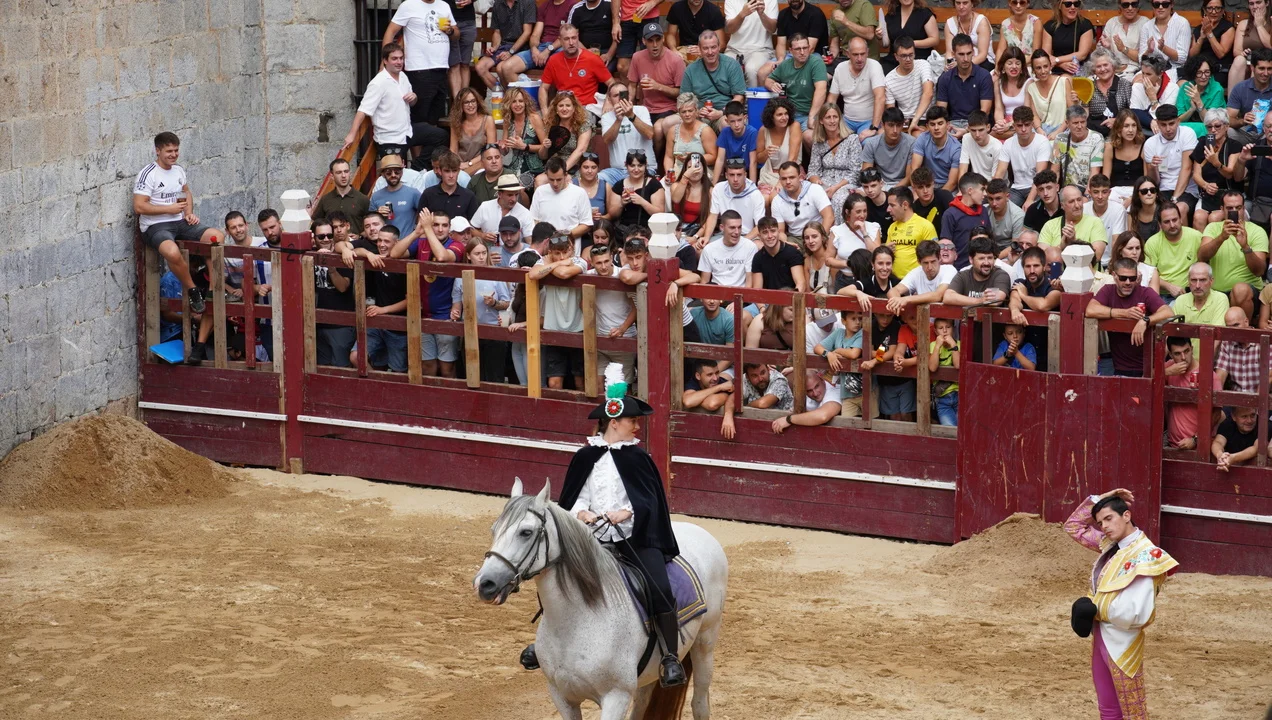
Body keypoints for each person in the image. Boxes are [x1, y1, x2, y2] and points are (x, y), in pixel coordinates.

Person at [524, 367, 687, 687]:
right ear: (614, 422)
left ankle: (670, 655)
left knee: (659, 587)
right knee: (554, 573)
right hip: (591, 538)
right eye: (632, 421)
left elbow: (650, 500)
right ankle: (545, 642)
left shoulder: (639, 458)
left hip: (635, 538)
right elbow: (575, 497)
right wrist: (582, 513)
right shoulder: (585, 456)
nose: (637, 426)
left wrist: (627, 512)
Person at [1063, 489, 1179, 720]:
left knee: (1133, 713)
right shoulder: (1111, 545)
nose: (1104, 527)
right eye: (1100, 522)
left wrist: (1095, 609)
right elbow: (1074, 526)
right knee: (1108, 710)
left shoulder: (1146, 556)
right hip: (1102, 636)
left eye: (1109, 518)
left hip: (1123, 644)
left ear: (1126, 515)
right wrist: (1100, 499)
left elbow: (1137, 613)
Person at [134, 131, 224, 314]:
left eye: (176, 150)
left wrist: (188, 213)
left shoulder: (178, 170)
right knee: (172, 252)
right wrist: (169, 209)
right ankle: (193, 290)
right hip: (155, 225)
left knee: (216, 237)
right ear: (158, 151)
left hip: (179, 221)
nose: (173, 154)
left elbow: (186, 192)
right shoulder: (148, 174)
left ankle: (212, 288)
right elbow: (139, 206)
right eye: (169, 151)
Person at [1086, 257, 1173, 377]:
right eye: (1123, 278)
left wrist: (1145, 321)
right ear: (1114, 276)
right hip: (1119, 369)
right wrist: (1124, 313)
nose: (1128, 282)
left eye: (1132, 278)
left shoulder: (1145, 292)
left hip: (1148, 368)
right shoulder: (1108, 290)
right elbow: (1090, 310)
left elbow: (1168, 312)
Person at [384, 0, 458, 130]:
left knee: (435, 117)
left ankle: (428, 143)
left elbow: (456, 34)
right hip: (419, 69)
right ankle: (416, 144)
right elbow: (391, 31)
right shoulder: (409, 5)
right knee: (419, 118)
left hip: (441, 68)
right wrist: (385, 60)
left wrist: (450, 30)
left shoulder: (444, 5)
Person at [1197, 189, 1269, 320]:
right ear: (1222, 209)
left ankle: (1242, 331)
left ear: (1244, 209)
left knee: (1240, 289)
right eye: (1229, 208)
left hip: (1248, 294)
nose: (1235, 211)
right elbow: (1201, 257)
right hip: (1217, 293)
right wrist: (1221, 237)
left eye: (1238, 208)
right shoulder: (1213, 228)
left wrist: (1245, 247)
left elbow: (1259, 271)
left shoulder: (1257, 231)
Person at [348, 225, 410, 373]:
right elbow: (354, 250)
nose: (382, 245)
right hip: (375, 323)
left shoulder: (406, 263)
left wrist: (383, 310)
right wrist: (368, 254)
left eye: (386, 241)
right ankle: (374, 384)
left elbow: (412, 300)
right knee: (356, 357)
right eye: (379, 240)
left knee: (398, 372)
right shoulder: (375, 256)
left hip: (398, 327)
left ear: (397, 243)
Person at [449, 239, 511, 382]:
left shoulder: (496, 274)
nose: (481, 257)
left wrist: (494, 303)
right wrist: (454, 314)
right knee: (472, 377)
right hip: (470, 331)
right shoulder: (460, 278)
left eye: (484, 253)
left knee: (494, 377)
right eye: (477, 254)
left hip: (494, 332)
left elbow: (507, 303)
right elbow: (456, 307)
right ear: (468, 256)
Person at [678, 30, 747, 131]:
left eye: (713, 47)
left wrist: (722, 112)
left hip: (723, 113)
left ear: (719, 47)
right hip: (697, 115)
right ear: (699, 49)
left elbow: (739, 97)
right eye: (705, 48)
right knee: (668, 123)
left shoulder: (731, 65)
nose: (710, 52)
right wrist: (696, 112)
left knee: (727, 125)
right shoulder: (691, 70)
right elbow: (684, 99)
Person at [497, 0, 577, 84]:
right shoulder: (544, 6)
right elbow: (536, 35)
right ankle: (526, 93)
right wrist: (534, 49)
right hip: (543, 47)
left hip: (561, 47)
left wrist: (548, 50)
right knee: (507, 67)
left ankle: (547, 92)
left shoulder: (572, 6)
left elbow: (567, 36)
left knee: (556, 68)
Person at [1163, 335, 1220, 450]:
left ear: (1192, 349)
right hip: (1172, 444)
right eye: (1177, 354)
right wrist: (1166, 372)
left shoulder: (1208, 375)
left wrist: (1195, 438)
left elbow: (1217, 413)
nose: (1183, 357)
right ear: (1171, 355)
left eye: (1186, 351)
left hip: (1199, 447)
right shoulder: (1170, 367)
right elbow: (1147, 379)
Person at [1008, 246, 1061, 368]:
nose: (1032, 270)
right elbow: (1015, 299)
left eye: (1036, 266)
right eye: (1028, 266)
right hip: (1026, 351)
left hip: (1051, 349)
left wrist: (1024, 295)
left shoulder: (1054, 285)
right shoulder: (1020, 283)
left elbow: (1043, 305)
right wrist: (1014, 310)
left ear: (1044, 266)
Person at [765, 33, 829, 131]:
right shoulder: (785, 65)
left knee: (809, 136)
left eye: (805, 48)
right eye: (798, 49)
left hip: (809, 113)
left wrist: (812, 116)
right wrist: (772, 84)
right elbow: (768, 80)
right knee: (765, 130)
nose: (802, 52)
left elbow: (821, 90)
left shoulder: (816, 63)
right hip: (789, 114)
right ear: (790, 50)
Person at [629, 23, 686, 129]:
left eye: (658, 40)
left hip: (669, 108)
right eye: (650, 41)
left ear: (663, 39)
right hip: (645, 109)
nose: (655, 45)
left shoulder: (675, 60)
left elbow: (681, 93)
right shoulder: (637, 57)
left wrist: (658, 87)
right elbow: (632, 86)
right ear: (644, 41)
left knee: (658, 129)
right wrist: (629, 104)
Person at [600, 82, 659, 185]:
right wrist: (618, 120)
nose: (620, 98)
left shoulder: (641, 110)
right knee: (598, 179)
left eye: (623, 94)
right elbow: (607, 140)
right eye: (616, 95)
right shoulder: (607, 117)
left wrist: (631, 115)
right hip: (617, 171)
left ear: (629, 95)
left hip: (643, 168)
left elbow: (649, 134)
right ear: (609, 99)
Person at [530, 157, 595, 250]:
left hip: (569, 250)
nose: (555, 184)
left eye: (559, 179)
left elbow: (586, 224)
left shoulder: (579, 193)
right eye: (551, 179)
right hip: (546, 251)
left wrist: (563, 236)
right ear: (546, 175)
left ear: (566, 175)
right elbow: (534, 220)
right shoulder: (540, 192)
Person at [935, 33, 994, 134]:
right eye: (961, 54)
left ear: (973, 52)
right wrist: (948, 128)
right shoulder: (945, 78)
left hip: (977, 125)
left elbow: (985, 111)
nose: (966, 59)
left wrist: (967, 130)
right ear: (953, 54)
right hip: (952, 124)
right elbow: (941, 112)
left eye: (969, 53)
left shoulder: (984, 76)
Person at [541, 24, 613, 105]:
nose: (571, 43)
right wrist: (544, 110)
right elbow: (543, 88)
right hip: (564, 107)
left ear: (578, 38)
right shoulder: (553, 60)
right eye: (566, 39)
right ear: (560, 40)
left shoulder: (592, 59)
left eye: (574, 38)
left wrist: (608, 102)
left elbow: (612, 83)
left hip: (586, 107)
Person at [807, 104, 862, 212]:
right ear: (821, 121)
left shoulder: (852, 139)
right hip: (824, 182)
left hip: (846, 183)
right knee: (811, 197)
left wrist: (836, 187)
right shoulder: (818, 143)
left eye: (835, 117)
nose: (832, 121)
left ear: (839, 119)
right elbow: (813, 170)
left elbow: (855, 172)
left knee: (839, 199)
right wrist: (816, 181)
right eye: (828, 117)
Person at [829, 37, 886, 138]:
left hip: (869, 121)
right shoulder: (840, 68)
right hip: (846, 121)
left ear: (867, 52)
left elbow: (880, 97)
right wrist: (830, 121)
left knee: (868, 143)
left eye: (862, 54)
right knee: (835, 141)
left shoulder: (874, 66)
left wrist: (874, 128)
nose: (859, 59)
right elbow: (831, 100)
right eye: (855, 54)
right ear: (847, 53)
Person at [996, 107, 1052, 208]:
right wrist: (992, 193)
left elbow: (1040, 174)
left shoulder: (1042, 142)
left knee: (1035, 210)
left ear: (1032, 124)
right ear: (1014, 126)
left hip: (1038, 187)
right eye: (1019, 125)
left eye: (1027, 125)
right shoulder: (1008, 143)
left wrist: (1030, 199)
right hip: (1016, 189)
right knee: (1003, 209)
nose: (1023, 129)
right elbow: (1000, 172)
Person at [1171, 261, 1229, 356]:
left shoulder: (1220, 299)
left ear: (1211, 281)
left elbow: (1217, 339)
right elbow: (1171, 335)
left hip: (1209, 362)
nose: (1197, 286)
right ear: (1188, 281)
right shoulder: (1181, 300)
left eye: (1202, 280)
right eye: (1194, 280)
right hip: (1184, 361)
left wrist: (1203, 364)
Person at [700, 159, 766, 241]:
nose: (735, 179)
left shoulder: (755, 194)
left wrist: (742, 243)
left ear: (745, 175)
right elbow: (713, 216)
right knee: (704, 246)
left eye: (739, 175)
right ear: (726, 175)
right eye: (731, 175)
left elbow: (760, 225)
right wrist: (706, 237)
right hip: (725, 235)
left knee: (758, 245)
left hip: (747, 236)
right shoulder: (718, 188)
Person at [1145, 203, 1201, 300]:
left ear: (1181, 219)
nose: (1172, 225)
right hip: (1163, 295)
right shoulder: (1152, 243)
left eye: (1175, 220)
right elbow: (1147, 274)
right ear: (1160, 224)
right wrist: (1168, 286)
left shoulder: (1196, 236)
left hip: (1191, 293)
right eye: (1166, 222)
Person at [1039, 185, 1108, 263]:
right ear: (1062, 205)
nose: (1077, 205)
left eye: (1079, 200)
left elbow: (1096, 257)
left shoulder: (1095, 222)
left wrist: (1073, 243)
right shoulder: (1050, 225)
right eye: (1071, 202)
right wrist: (1061, 246)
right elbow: (1041, 259)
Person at [537, 91, 594, 184]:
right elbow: (542, 156)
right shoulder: (552, 125)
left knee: (567, 181)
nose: (564, 109)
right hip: (555, 165)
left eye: (568, 105)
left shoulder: (583, 124)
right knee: (539, 180)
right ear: (556, 109)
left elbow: (581, 150)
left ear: (574, 108)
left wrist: (562, 170)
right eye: (561, 106)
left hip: (577, 166)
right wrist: (545, 147)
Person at [476, 0, 535, 88]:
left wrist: (510, 52)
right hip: (504, 46)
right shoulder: (498, 3)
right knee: (480, 67)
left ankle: (513, 95)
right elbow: (497, 32)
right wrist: (494, 48)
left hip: (522, 47)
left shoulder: (528, 2)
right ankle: (503, 94)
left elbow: (527, 33)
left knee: (501, 68)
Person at [887, 239, 956, 313]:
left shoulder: (949, 270)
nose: (930, 267)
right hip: (922, 318)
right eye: (926, 263)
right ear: (919, 262)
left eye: (933, 262)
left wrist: (906, 299)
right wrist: (896, 301)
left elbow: (938, 295)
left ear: (939, 258)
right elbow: (894, 290)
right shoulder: (916, 272)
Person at [772, 161, 835, 242]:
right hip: (795, 238)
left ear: (800, 177)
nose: (788, 182)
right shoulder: (777, 200)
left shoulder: (814, 189)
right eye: (784, 178)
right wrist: (786, 244)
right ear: (780, 180)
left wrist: (820, 240)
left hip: (818, 234)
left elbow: (829, 217)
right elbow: (780, 231)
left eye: (792, 177)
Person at [884, 36, 935, 136]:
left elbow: (928, 93)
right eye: (903, 56)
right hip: (903, 120)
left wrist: (915, 121)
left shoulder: (923, 65)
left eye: (911, 55)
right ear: (896, 56)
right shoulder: (889, 79)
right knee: (883, 134)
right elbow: (891, 111)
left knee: (917, 136)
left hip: (925, 118)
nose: (908, 59)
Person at [831, 193, 883, 290]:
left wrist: (864, 232)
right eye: (858, 212)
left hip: (867, 279)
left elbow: (877, 254)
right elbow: (828, 260)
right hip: (844, 280)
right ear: (848, 212)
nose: (862, 215)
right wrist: (848, 264)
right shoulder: (837, 230)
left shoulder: (873, 228)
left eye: (865, 211)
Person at [1215, 306, 1272, 394]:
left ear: (1246, 322)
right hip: (1234, 398)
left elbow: (1268, 377)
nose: (1233, 331)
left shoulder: (1263, 341)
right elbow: (1220, 376)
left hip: (1260, 398)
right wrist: (1216, 399)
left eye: (1236, 325)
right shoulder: (1227, 343)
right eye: (1229, 327)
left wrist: (1255, 401)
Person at [942, 235, 1011, 307]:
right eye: (981, 258)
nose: (986, 263)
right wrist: (979, 301)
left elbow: (995, 300)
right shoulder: (963, 275)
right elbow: (948, 297)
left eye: (990, 258)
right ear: (971, 260)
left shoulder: (1001, 275)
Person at [500, 86, 548, 187]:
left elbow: (546, 146)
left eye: (521, 101)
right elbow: (505, 150)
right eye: (514, 101)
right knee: (500, 181)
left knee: (516, 185)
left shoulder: (534, 118)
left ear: (525, 102)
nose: (518, 105)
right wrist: (502, 147)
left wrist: (525, 146)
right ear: (509, 104)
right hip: (513, 167)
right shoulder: (507, 120)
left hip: (535, 168)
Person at [724, 0, 779, 87]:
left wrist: (762, 14)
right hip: (734, 49)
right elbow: (729, 29)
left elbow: (773, 29)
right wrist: (742, 14)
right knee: (725, 66)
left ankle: (752, 96)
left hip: (761, 50)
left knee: (752, 70)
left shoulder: (770, 1)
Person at [770, 370, 845, 433]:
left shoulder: (834, 391)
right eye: (809, 391)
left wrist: (789, 419)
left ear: (822, 379)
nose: (815, 393)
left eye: (817, 386)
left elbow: (823, 416)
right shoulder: (803, 394)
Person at [938, 173, 988, 268]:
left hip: (982, 266)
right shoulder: (950, 214)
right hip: (958, 268)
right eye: (982, 189)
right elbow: (946, 246)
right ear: (970, 190)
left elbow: (989, 239)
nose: (985, 194)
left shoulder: (984, 211)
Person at [1050, 105, 1103, 192]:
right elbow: (1055, 171)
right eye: (1075, 123)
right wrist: (1053, 192)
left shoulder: (1096, 138)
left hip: (1087, 188)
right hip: (1067, 189)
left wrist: (1087, 195)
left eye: (1082, 122)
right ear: (1067, 123)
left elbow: (1094, 172)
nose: (1079, 126)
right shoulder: (1060, 138)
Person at [861, 107, 917, 187]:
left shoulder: (912, 143)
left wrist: (892, 191)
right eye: (891, 125)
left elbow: (909, 177)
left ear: (903, 125)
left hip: (903, 187)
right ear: (882, 125)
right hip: (880, 186)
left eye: (898, 125)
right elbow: (867, 175)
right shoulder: (871, 144)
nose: (895, 130)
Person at [608, 149, 666, 227]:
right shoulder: (619, 185)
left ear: (645, 165)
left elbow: (660, 214)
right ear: (626, 165)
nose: (636, 169)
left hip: (647, 229)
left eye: (640, 165)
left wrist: (642, 202)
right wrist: (621, 204)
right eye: (632, 166)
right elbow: (612, 215)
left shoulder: (654, 185)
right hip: (624, 230)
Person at [682, 359, 738, 438]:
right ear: (698, 376)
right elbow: (688, 402)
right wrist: (719, 387)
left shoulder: (724, 384)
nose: (715, 378)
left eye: (717, 373)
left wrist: (697, 399)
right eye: (709, 374)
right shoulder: (693, 383)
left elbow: (712, 403)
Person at [313, 159, 371, 235]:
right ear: (332, 176)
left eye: (346, 171)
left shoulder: (363, 199)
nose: (343, 175)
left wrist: (359, 236)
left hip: (355, 242)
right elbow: (316, 225)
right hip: (331, 241)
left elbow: (370, 227)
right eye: (339, 172)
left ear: (350, 173)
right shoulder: (325, 200)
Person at [370, 154, 423, 238]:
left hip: (407, 243)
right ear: (383, 174)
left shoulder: (413, 193)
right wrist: (378, 215)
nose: (393, 175)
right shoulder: (376, 196)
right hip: (383, 242)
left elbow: (425, 215)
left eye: (397, 171)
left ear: (402, 173)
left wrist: (417, 234)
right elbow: (369, 223)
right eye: (388, 172)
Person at [665, 92, 718, 175]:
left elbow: (713, 157)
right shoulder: (673, 131)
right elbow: (669, 157)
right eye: (683, 112)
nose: (687, 114)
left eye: (690, 111)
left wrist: (693, 158)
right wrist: (669, 174)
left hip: (700, 171)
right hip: (678, 171)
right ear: (679, 113)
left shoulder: (705, 130)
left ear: (696, 111)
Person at [419, 151, 479, 223]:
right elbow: (420, 222)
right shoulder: (428, 194)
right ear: (440, 171)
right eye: (447, 171)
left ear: (459, 171)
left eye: (454, 171)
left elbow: (473, 225)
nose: (451, 176)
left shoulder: (469, 196)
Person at [880, 0, 939, 74]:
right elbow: (886, 44)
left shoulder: (925, 13)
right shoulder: (891, 14)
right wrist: (880, 36)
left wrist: (910, 44)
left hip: (918, 59)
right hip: (895, 60)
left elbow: (935, 39)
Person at [472, 175, 535, 243]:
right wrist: (482, 236)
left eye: (516, 195)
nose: (514, 199)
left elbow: (530, 241)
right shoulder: (485, 207)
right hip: (488, 249)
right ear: (500, 194)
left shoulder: (525, 213)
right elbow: (471, 229)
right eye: (510, 195)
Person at [449, 87, 497, 177]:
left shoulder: (488, 120)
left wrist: (469, 164)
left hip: (480, 163)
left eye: (473, 101)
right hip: (460, 164)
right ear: (460, 105)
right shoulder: (456, 122)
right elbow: (453, 150)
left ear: (477, 102)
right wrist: (457, 165)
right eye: (466, 102)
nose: (470, 105)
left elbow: (490, 149)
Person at [1086, 48, 1132, 140]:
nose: (1102, 69)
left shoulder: (1124, 84)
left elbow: (1133, 112)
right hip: (1094, 135)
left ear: (1113, 65)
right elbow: (1084, 114)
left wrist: (1118, 121)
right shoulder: (1089, 86)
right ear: (1094, 70)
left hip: (1119, 133)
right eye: (1098, 66)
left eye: (1105, 65)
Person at [1025, 50, 1071, 140]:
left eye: (1045, 66)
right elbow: (1034, 115)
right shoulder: (1031, 88)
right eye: (1038, 68)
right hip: (1042, 129)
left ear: (1050, 66)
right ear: (1033, 70)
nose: (1043, 71)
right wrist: (1039, 130)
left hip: (1063, 129)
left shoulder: (1063, 82)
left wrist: (1058, 132)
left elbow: (1071, 112)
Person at [1042, 0, 1094, 76]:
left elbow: (1082, 54)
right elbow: (1046, 55)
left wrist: (1057, 60)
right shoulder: (1050, 26)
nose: (1073, 7)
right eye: (1068, 4)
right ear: (1060, 6)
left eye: (1076, 4)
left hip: (1079, 70)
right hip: (1055, 69)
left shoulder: (1085, 25)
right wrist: (1061, 65)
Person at [1100, 0, 1148, 80]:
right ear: (1120, 6)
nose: (1130, 8)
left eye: (1134, 4)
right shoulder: (1111, 23)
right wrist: (1107, 48)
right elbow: (1101, 56)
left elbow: (1145, 57)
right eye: (1126, 5)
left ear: (1138, 6)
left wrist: (1123, 49)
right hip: (1112, 69)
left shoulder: (1145, 24)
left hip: (1135, 70)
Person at [712, 102, 759, 182]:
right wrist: (714, 184)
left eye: (739, 120)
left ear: (745, 118)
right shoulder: (725, 132)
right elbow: (720, 159)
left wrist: (752, 185)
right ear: (727, 121)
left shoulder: (752, 133)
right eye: (732, 121)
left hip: (746, 172)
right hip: (730, 172)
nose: (736, 125)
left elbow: (753, 162)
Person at [1229, 1, 1272, 89]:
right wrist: (1243, 53)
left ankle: (1254, 96)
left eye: (1258, 2)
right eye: (1251, 4)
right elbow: (1236, 50)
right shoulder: (1243, 24)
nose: (1255, 7)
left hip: (1267, 62)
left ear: (1267, 3)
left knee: (1257, 66)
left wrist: (1259, 26)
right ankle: (1233, 97)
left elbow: (1270, 45)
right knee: (1239, 60)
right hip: (1248, 60)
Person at [1138, 0, 1190, 71]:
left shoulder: (1182, 23)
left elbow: (1182, 58)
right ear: (1152, 6)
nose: (1160, 7)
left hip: (1174, 69)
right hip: (1151, 69)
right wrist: (1148, 50)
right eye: (1156, 4)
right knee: (1138, 78)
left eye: (1165, 4)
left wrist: (1164, 48)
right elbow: (1141, 60)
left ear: (1172, 4)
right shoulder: (1146, 26)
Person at [993, 47, 1032, 141]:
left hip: (1022, 122)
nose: (1014, 67)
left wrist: (1010, 125)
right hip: (1005, 122)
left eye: (1017, 63)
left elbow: (1027, 111)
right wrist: (1000, 124)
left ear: (1022, 67)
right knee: (991, 135)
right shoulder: (998, 82)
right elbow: (999, 109)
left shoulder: (1029, 83)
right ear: (1003, 66)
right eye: (1010, 63)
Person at [943, 0, 994, 71]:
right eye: (958, 3)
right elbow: (949, 52)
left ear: (972, 3)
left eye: (965, 3)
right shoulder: (950, 23)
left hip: (983, 62)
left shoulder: (981, 21)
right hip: (958, 62)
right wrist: (949, 65)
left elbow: (982, 55)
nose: (961, 6)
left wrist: (960, 65)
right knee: (946, 76)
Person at [1105, 110, 1145, 200]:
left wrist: (1132, 198)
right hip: (1115, 192)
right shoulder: (1110, 147)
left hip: (1137, 192)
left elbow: (1146, 179)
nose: (1130, 130)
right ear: (1118, 128)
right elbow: (1106, 178)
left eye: (1133, 125)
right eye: (1126, 126)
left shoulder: (1144, 146)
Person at [670, 151, 712, 228]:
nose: (694, 171)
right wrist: (685, 177)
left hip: (700, 229)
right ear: (685, 170)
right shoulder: (676, 186)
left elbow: (710, 219)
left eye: (697, 167)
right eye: (690, 168)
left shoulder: (710, 190)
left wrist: (697, 234)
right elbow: (676, 200)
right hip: (678, 228)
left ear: (704, 170)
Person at [1214, 405, 1262, 470]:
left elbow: (1257, 448)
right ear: (1234, 417)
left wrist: (1233, 458)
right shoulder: (1227, 424)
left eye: (1252, 415)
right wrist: (1220, 455)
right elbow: (1218, 442)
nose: (1249, 421)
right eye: (1244, 416)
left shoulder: (1263, 424)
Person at [959, 111, 1002, 182]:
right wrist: (961, 187)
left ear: (988, 127)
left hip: (994, 185)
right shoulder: (966, 138)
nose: (977, 135)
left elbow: (996, 179)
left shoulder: (997, 146)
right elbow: (963, 168)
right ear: (968, 128)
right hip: (975, 184)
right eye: (973, 130)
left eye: (981, 130)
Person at [986, 178, 1024, 255]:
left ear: (1007, 197)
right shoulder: (985, 210)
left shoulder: (1018, 215)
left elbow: (1015, 245)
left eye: (998, 198)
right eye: (990, 199)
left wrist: (995, 259)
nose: (994, 203)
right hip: (989, 249)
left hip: (1009, 252)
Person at [1023, 169, 1063, 234]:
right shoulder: (1032, 209)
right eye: (1041, 189)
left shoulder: (1067, 206)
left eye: (1049, 188)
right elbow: (1026, 235)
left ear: (1057, 187)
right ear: (1037, 192)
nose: (1045, 193)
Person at [576, 152, 608, 223]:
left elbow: (612, 214)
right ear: (579, 168)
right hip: (577, 226)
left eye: (593, 167)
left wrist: (601, 217)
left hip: (598, 226)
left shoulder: (605, 186)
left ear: (598, 169)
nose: (590, 171)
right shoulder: (572, 185)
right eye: (586, 167)